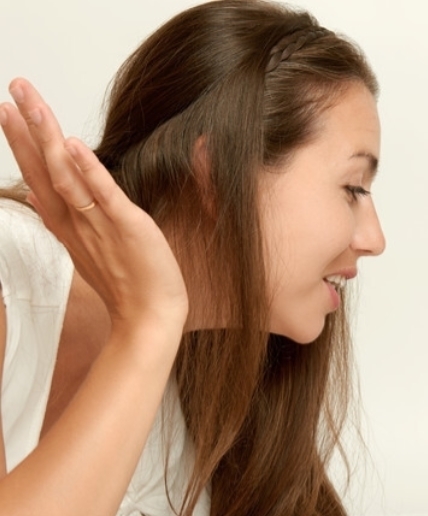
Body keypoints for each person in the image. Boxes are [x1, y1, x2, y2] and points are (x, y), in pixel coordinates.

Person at [0, 0, 385, 514]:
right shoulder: (9, 268)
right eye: (353, 187)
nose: (374, 239)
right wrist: (146, 325)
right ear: (221, 179)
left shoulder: (216, 395)